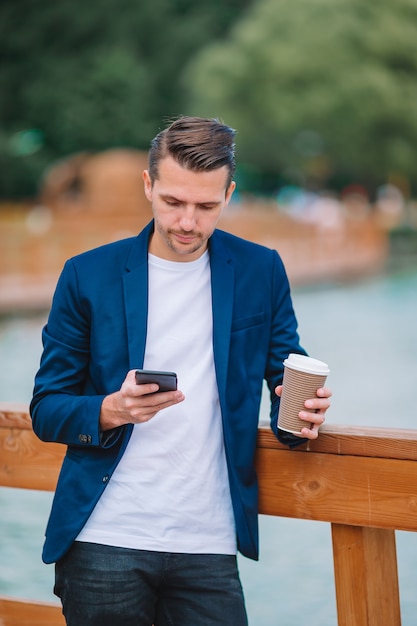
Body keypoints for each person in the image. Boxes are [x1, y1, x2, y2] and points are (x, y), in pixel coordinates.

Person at [30, 116, 332, 626]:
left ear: (228, 196)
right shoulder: (87, 273)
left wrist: (302, 412)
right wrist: (112, 408)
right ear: (148, 186)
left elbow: (286, 386)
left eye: (206, 206)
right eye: (173, 202)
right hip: (105, 539)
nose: (187, 222)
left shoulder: (263, 270)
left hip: (209, 543)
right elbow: (46, 409)